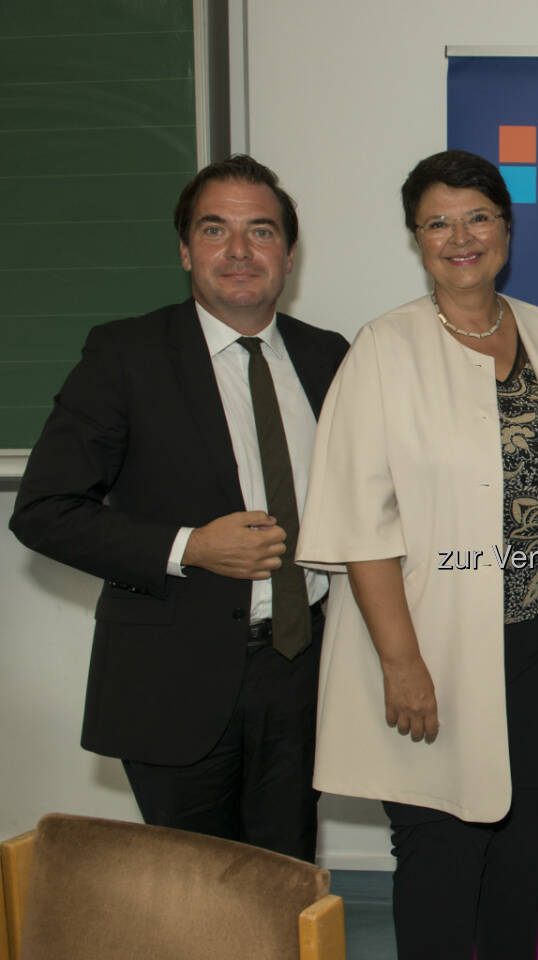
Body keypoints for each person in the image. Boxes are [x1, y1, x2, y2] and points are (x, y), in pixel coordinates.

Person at [294, 150, 538, 959]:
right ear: (416, 239)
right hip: (431, 647)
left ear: (506, 226)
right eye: (438, 222)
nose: (460, 236)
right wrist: (401, 663)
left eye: (478, 217)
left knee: (519, 849)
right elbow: (358, 526)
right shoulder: (383, 350)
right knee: (439, 850)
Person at [9, 155, 348, 861]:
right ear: (185, 249)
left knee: (287, 878)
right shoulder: (126, 354)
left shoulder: (328, 358)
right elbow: (44, 509)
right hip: (175, 679)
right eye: (215, 229)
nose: (238, 251)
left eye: (260, 231)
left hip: (304, 674)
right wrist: (189, 546)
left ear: (288, 253)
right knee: (193, 897)